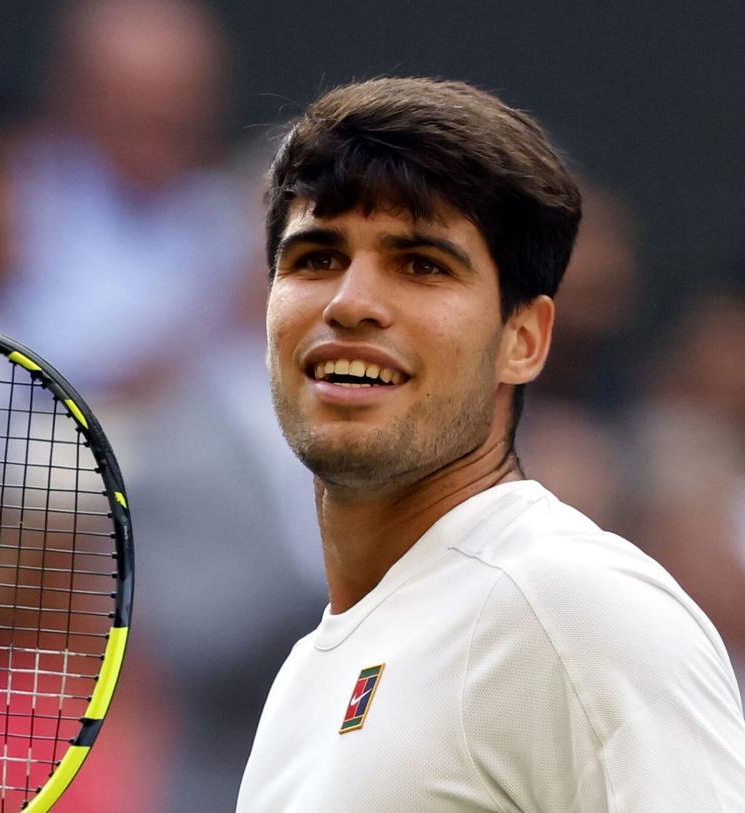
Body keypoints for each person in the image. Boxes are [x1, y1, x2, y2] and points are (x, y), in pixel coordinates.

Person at [236, 77, 745, 811]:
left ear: (524, 339)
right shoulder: (300, 682)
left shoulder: (574, 606)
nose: (350, 302)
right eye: (316, 257)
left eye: (421, 265)